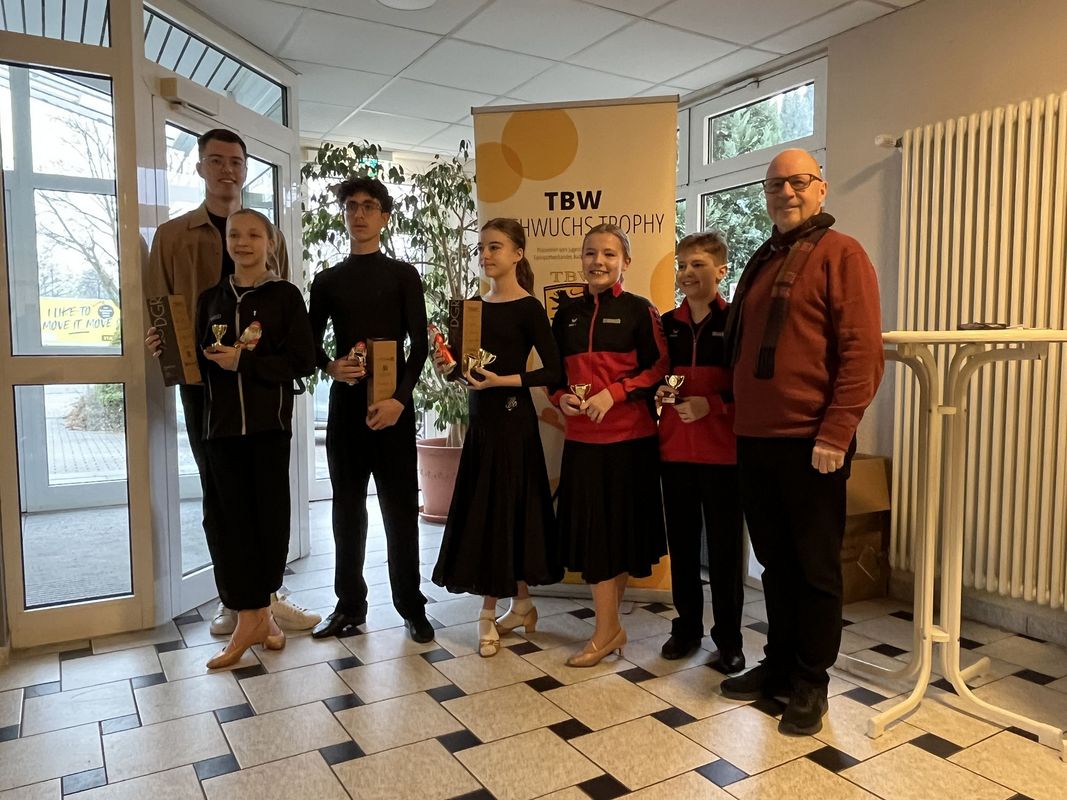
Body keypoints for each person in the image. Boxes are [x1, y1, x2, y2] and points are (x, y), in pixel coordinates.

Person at [719, 149, 884, 735]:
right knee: (775, 565)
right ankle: (780, 664)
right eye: (774, 185)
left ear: (821, 189)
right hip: (755, 439)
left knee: (815, 569)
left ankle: (812, 681)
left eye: (797, 182)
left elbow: (862, 353)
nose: (785, 193)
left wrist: (837, 432)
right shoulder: (765, 260)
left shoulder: (843, 254)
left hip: (812, 443)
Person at [144, 128, 320, 635]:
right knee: (220, 496)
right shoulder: (173, 236)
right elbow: (160, 305)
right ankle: (233, 600)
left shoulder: (270, 233)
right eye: (216, 160)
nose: (227, 170)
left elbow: (283, 308)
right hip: (205, 389)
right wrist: (162, 342)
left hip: (263, 389)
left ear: (245, 169)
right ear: (200, 166)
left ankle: (267, 598)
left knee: (269, 498)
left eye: (236, 162)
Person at [308, 177, 434, 643]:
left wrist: (400, 400)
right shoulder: (327, 281)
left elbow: (419, 346)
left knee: (400, 511)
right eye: (351, 206)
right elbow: (308, 343)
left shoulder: (403, 276)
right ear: (344, 214)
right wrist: (329, 365)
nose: (358, 214)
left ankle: (411, 606)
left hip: (394, 409)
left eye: (368, 206)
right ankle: (349, 606)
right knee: (346, 511)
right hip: (346, 410)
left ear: (384, 216)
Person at [431, 219, 563, 657]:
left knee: (502, 512)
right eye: (482, 248)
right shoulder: (469, 308)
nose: (486, 255)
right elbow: (462, 371)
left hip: (513, 422)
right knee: (493, 511)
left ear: (517, 254)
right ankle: (522, 604)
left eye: (495, 247)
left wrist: (502, 380)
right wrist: (447, 368)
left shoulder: (529, 308)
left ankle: (487, 613)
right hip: (481, 424)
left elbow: (554, 370)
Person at [195, 209, 316, 668]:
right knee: (230, 525)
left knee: (269, 522)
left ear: (270, 243)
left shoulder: (285, 297)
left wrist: (244, 363)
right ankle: (255, 619)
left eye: (252, 235)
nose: (242, 242)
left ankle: (256, 617)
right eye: (234, 234)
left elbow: (302, 362)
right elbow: (197, 364)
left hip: (268, 430)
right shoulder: (210, 299)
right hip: (221, 431)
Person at [552, 223, 669, 667]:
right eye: (590, 253)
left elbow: (660, 367)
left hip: (630, 444)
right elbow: (553, 374)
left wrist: (614, 394)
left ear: (625, 262)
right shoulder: (565, 314)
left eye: (608, 254)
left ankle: (605, 632)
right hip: (582, 444)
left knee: (616, 537)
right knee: (597, 538)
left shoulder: (641, 310)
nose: (597, 261)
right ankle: (611, 627)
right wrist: (560, 398)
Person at [656, 231, 745, 674]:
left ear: (721, 271)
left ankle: (729, 640)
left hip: (724, 456)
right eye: (682, 265)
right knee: (684, 549)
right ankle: (687, 629)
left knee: (726, 554)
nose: (687, 273)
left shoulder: (737, 322)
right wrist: (658, 393)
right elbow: (656, 375)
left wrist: (713, 405)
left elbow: (749, 387)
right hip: (675, 454)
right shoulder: (665, 325)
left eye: (697, 265)